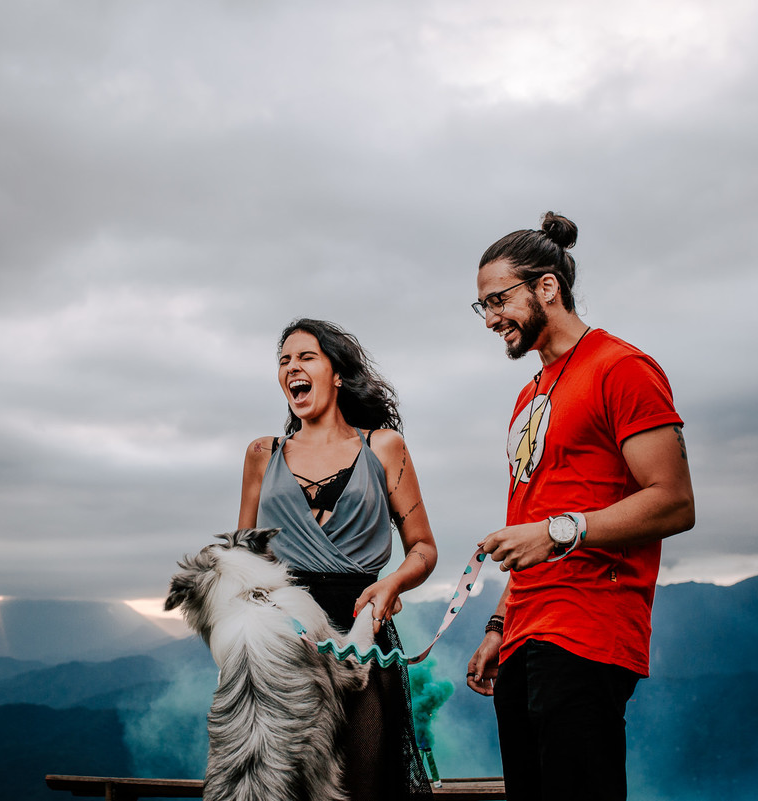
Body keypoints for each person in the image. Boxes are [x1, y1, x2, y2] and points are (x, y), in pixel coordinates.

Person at [464, 212, 695, 801]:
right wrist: (498, 624)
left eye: (498, 300)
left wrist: (557, 533)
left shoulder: (622, 369)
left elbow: (673, 502)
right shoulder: (531, 391)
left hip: (589, 628)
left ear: (548, 287)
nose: (490, 319)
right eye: (481, 307)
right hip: (524, 633)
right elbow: (534, 519)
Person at [238, 318, 438, 801]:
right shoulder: (262, 455)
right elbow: (243, 558)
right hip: (283, 645)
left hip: (362, 640)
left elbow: (424, 550)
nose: (292, 368)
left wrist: (392, 585)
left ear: (337, 374)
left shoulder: (384, 447)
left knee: (366, 789)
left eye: (306, 357)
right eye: (284, 361)